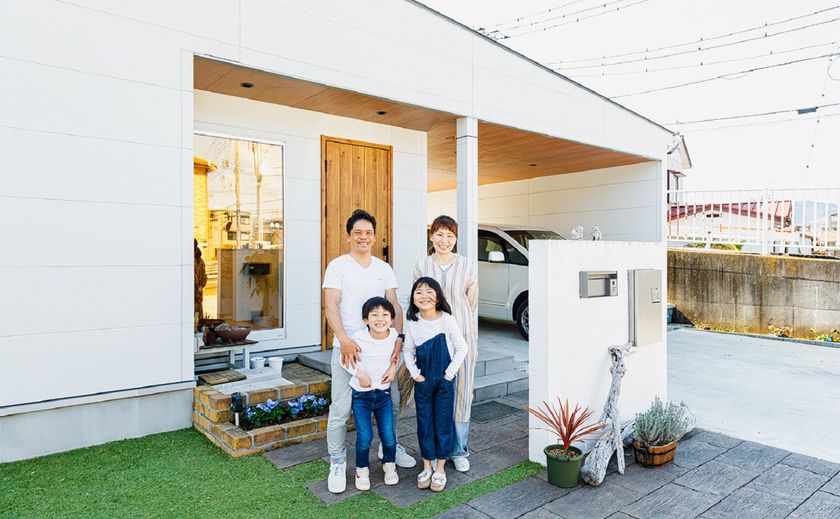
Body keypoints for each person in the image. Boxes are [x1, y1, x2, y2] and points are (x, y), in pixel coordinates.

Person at [322, 209, 416, 494]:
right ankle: (337, 461)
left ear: (374, 237)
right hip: (347, 352)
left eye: (368, 233)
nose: (364, 237)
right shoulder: (337, 266)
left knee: (393, 402)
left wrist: (398, 338)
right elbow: (331, 306)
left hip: (383, 351)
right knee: (340, 408)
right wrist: (344, 339)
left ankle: (389, 448)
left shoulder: (383, 268)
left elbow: (395, 306)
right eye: (358, 232)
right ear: (348, 235)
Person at [411, 215, 478, 472]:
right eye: (439, 234)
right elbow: (418, 299)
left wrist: (461, 323)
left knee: (462, 390)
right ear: (431, 236)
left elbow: (471, 298)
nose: (444, 240)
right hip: (430, 338)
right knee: (432, 389)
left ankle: (458, 448)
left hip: (461, 333)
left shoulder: (466, 264)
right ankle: (433, 449)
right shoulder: (422, 265)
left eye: (450, 236)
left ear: (456, 239)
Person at [403, 277, 468, 492]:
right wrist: (416, 375)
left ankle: (440, 467)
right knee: (424, 423)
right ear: (413, 298)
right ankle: (427, 465)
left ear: (438, 296)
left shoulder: (446, 319)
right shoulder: (413, 322)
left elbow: (462, 348)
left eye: (429, 291)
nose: (424, 296)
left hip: (444, 382)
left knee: (443, 423)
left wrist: (449, 374)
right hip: (423, 381)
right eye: (418, 292)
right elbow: (408, 350)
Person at [341, 297, 401, 490]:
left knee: (389, 435)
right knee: (365, 436)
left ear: (391, 320)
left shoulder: (394, 336)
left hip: (383, 395)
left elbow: (401, 353)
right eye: (374, 315)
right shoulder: (358, 338)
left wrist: (394, 367)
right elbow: (345, 360)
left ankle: (389, 466)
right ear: (366, 320)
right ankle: (362, 470)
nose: (379, 318)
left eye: (385, 314)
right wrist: (359, 374)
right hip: (362, 396)